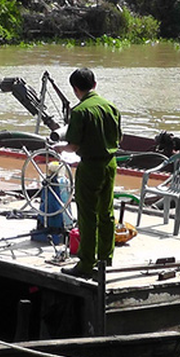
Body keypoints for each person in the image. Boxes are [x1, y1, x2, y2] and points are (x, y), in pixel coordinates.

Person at [56, 68, 122, 278]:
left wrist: (60, 148)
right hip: (110, 164)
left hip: (90, 166)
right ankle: (105, 258)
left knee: (87, 215)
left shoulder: (80, 111)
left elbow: (73, 145)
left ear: (75, 89)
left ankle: (86, 264)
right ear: (94, 84)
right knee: (107, 213)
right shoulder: (111, 107)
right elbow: (119, 137)